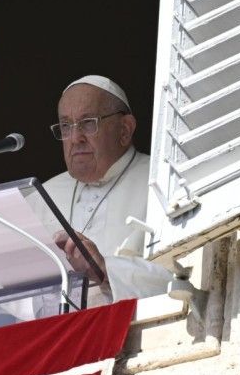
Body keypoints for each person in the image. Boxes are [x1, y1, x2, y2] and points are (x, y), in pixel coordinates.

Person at [42, 75, 171, 304]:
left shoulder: (166, 185)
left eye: (88, 122)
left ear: (125, 129)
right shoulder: (41, 197)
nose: (75, 138)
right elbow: (3, 299)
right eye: (65, 126)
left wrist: (105, 269)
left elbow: (182, 278)